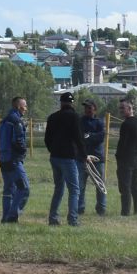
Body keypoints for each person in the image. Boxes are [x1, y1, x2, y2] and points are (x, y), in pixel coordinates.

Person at [43, 93, 84, 226]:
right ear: (72, 103)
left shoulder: (52, 117)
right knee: (74, 190)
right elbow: (78, 138)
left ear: (61, 103)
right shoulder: (74, 117)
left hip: (55, 157)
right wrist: (84, 155)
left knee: (59, 188)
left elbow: (47, 139)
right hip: (69, 157)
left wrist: (53, 150)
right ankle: (73, 219)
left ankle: (53, 218)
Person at [0, 96, 31, 223]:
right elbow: (19, 141)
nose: (26, 109)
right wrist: (23, 151)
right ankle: (13, 215)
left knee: (9, 189)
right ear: (18, 106)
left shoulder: (4, 121)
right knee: (24, 188)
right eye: (25, 106)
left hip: (4, 160)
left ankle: (5, 217)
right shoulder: (17, 121)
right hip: (14, 160)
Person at [115, 97, 137, 216]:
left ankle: (125, 212)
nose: (121, 110)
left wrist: (118, 156)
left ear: (130, 108)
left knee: (125, 187)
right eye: (120, 108)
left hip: (126, 160)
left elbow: (123, 143)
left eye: (123, 108)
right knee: (135, 186)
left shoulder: (126, 124)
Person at [78, 100, 108, 218]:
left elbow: (100, 137)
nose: (87, 110)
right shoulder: (80, 121)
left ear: (95, 109)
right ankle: (80, 208)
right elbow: (79, 137)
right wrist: (86, 137)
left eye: (89, 108)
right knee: (81, 185)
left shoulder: (99, 122)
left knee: (100, 184)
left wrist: (88, 136)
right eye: (85, 108)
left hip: (97, 158)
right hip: (83, 158)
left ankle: (101, 209)